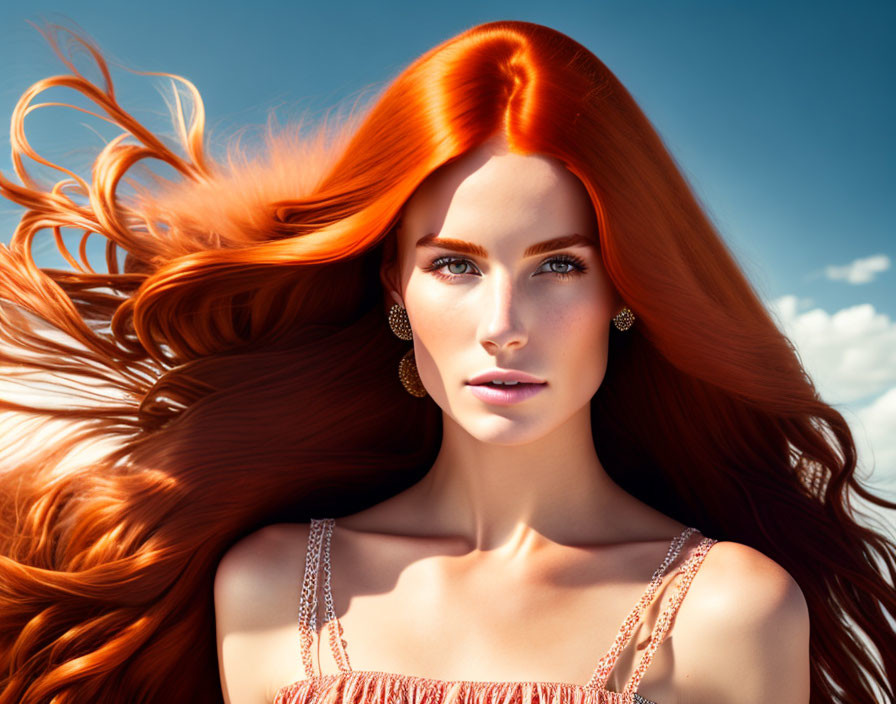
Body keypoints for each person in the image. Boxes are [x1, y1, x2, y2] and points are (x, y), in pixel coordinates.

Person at [0, 18, 892, 704]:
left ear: (628, 290)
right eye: (456, 265)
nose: (505, 323)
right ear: (395, 286)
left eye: (559, 266)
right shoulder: (269, 583)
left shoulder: (729, 610)